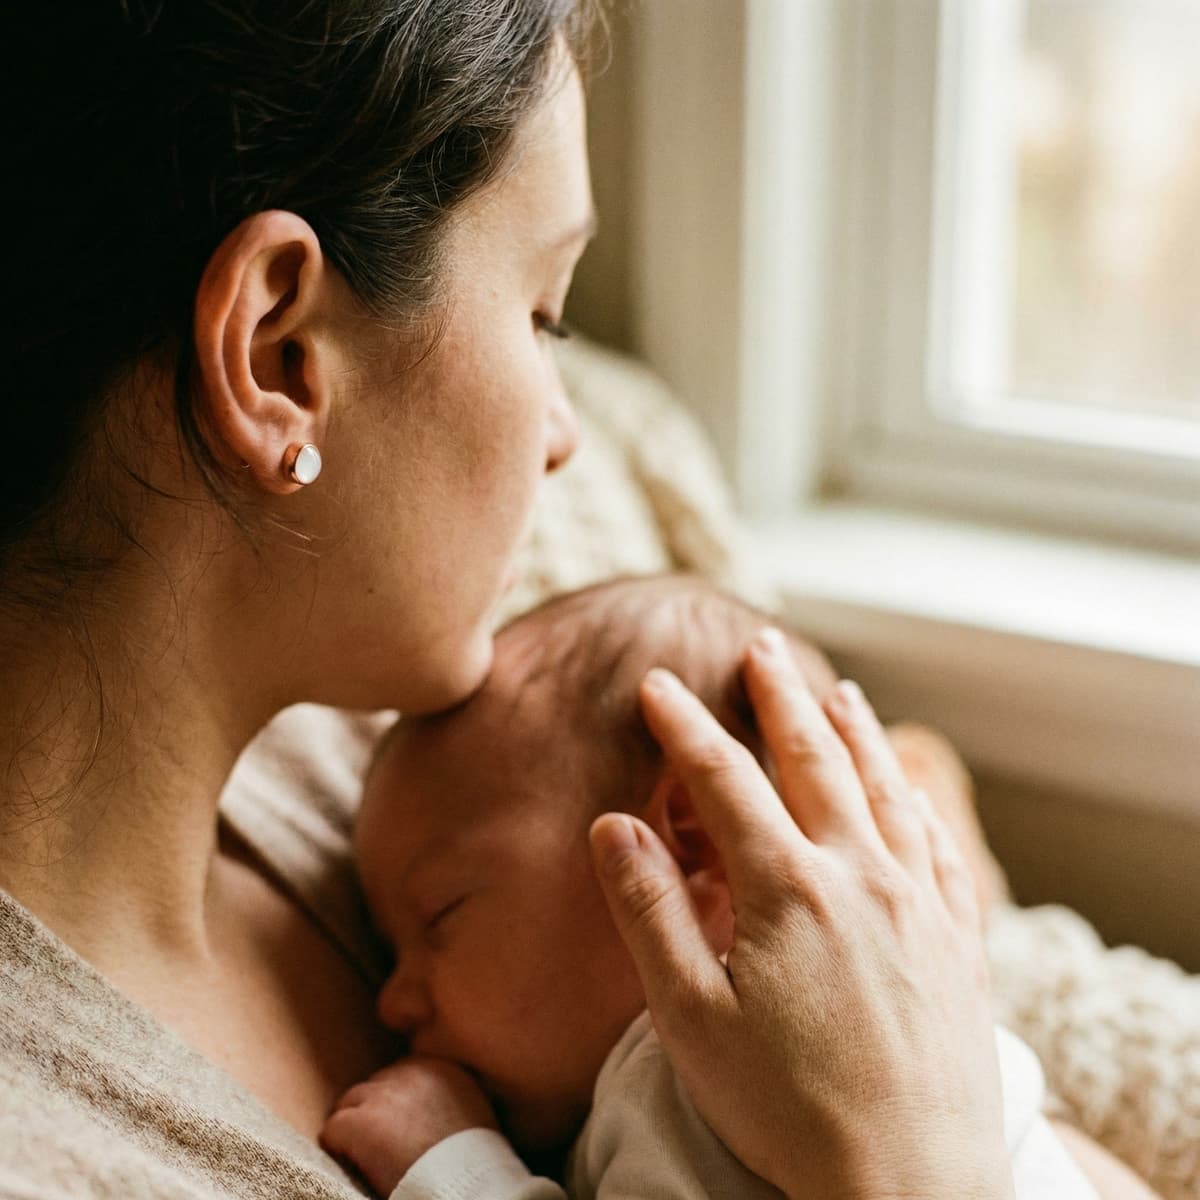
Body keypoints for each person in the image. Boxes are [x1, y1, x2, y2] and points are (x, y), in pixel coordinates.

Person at [0, 2, 1065, 1196]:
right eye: (543, 311)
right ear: (278, 354)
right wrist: (917, 1163)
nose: (569, 435)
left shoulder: (376, 748)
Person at [320, 575, 1113, 1198]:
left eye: (441, 915)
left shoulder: (684, 1095)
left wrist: (455, 1171)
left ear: (689, 837)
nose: (393, 1001)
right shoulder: (929, 1010)